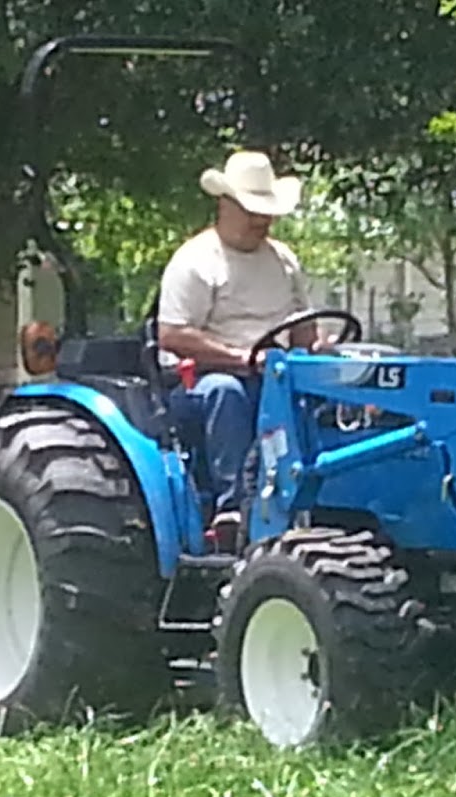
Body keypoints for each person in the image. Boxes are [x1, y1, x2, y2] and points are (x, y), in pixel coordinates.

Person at [157, 150, 326, 536]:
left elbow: (303, 327)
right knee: (226, 392)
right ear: (225, 205)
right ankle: (233, 509)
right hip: (202, 382)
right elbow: (172, 334)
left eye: (266, 211)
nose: (261, 220)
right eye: (252, 210)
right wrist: (244, 358)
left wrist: (319, 351)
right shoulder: (197, 261)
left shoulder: (283, 260)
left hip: (276, 374)